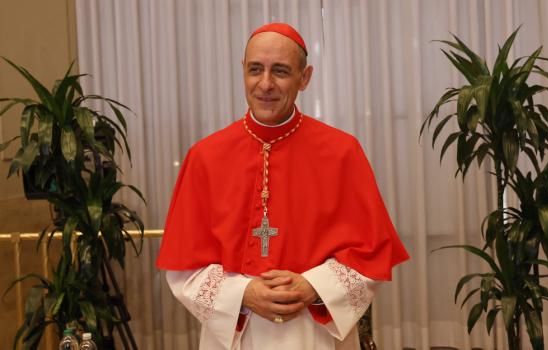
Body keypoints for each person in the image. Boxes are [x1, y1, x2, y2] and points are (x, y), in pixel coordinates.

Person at [157, 23, 409, 350]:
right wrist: (244, 293)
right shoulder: (205, 156)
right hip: (237, 334)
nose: (265, 84)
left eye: (280, 71)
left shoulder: (342, 151)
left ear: (304, 78)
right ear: (242, 72)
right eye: (255, 70)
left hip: (315, 332)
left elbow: (372, 254)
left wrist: (313, 285)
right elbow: (182, 268)